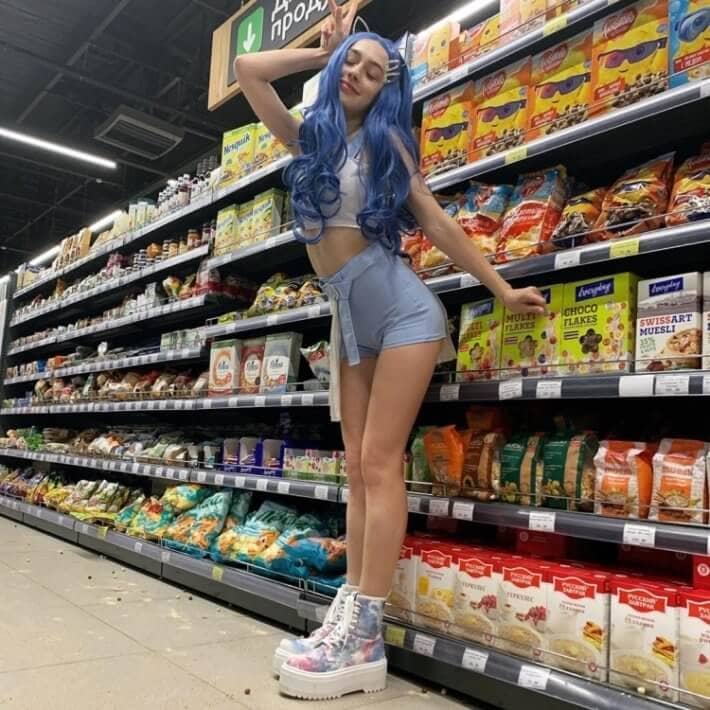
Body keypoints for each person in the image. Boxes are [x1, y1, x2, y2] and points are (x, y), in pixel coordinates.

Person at [234, 0, 546, 700]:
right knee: (356, 469)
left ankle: (366, 630)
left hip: (404, 315)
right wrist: (323, 54)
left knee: (379, 462)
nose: (358, 74)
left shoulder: (386, 148)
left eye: (374, 72)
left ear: (385, 92)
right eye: (354, 62)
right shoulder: (307, 141)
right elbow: (248, 69)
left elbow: (436, 223)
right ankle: (347, 616)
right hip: (349, 320)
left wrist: (499, 288)